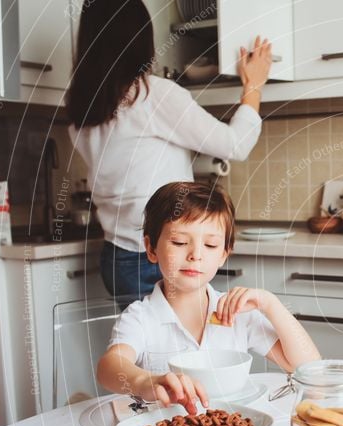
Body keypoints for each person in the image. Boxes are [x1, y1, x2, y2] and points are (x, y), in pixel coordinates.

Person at [67, 0, 272, 300]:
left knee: (144, 343)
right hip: (158, 257)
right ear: (141, 39)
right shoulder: (152, 95)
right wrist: (253, 85)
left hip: (116, 258)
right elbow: (235, 144)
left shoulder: (82, 106)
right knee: (179, 346)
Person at [96, 182, 321, 414]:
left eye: (211, 245)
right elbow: (110, 367)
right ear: (151, 248)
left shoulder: (238, 314)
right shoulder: (140, 317)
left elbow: (310, 368)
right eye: (180, 242)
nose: (196, 255)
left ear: (224, 254)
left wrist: (270, 305)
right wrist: (145, 382)